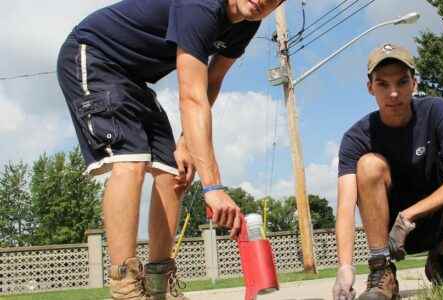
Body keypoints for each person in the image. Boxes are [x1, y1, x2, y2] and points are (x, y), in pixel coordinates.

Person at [56, 0, 284, 299]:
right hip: (93, 54)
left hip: (133, 79)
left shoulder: (246, 23)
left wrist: (186, 144)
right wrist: (212, 185)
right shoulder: (200, 6)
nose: (263, 0)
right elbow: (191, 97)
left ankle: (158, 285)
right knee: (131, 161)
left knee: (175, 170)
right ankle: (125, 286)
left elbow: (211, 82)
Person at [331, 43, 443, 300]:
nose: (393, 93)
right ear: (370, 87)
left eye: (402, 82)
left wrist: (408, 216)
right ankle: (382, 273)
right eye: (383, 84)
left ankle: (441, 259)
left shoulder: (435, 110)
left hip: (434, 221)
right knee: (369, 164)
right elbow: (345, 207)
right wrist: (345, 267)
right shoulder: (356, 137)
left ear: (414, 84)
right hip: (387, 235)